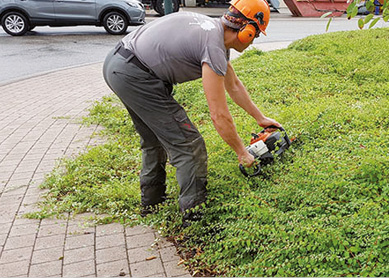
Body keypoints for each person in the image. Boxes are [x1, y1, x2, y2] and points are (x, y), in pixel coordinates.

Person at [103, 0, 281, 226]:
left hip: (119, 64)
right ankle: (194, 217)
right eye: (256, 34)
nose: (254, 41)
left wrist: (260, 118)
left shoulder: (213, 32)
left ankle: (152, 203)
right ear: (246, 31)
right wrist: (242, 153)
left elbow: (233, 85)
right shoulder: (214, 46)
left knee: (153, 139)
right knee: (189, 144)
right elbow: (219, 115)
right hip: (135, 75)